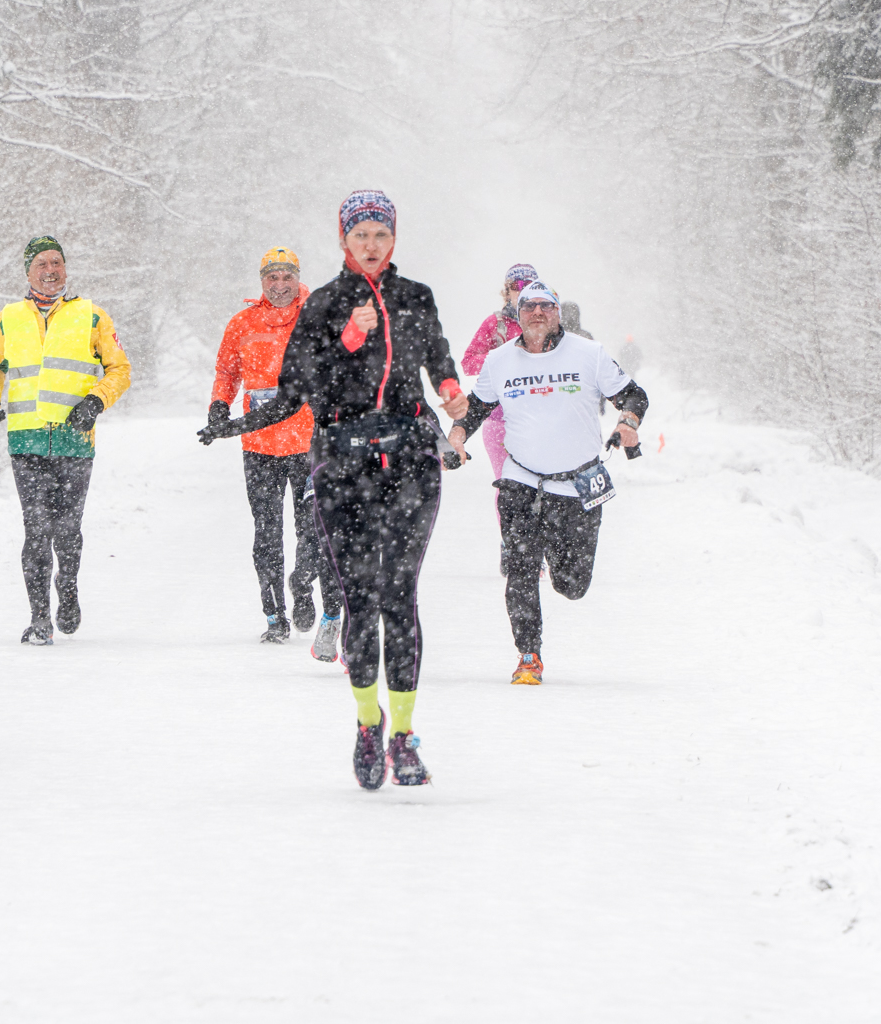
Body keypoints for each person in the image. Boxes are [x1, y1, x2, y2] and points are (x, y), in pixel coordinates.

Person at [198, 191, 468, 790]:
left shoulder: (416, 297)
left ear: (394, 239)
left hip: (409, 461)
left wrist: (449, 387)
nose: (371, 246)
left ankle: (404, 735)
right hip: (343, 462)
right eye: (360, 235)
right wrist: (345, 341)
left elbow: (436, 355)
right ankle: (367, 723)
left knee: (401, 594)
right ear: (343, 241)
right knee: (361, 597)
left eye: (380, 235)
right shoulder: (320, 303)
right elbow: (294, 386)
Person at [448, 281, 647, 685]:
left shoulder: (588, 354)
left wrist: (627, 421)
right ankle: (528, 655)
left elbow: (634, 394)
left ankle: (561, 572)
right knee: (520, 569)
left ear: (557, 313)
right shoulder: (500, 360)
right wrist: (456, 437)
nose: (538, 312)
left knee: (572, 585)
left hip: (578, 485)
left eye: (546, 306)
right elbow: (477, 408)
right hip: (521, 481)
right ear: (517, 315)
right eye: (529, 306)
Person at [0, 235, 132, 645]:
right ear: (27, 272)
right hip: (26, 441)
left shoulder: (92, 317)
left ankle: (68, 588)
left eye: (57, 263)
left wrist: (95, 402)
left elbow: (120, 370)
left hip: (74, 440)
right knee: (36, 529)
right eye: (42, 264)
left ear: (65, 268)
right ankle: (39, 617)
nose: (51, 271)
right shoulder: (9, 317)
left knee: (66, 530)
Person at [208, 246, 342, 651]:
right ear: (262, 280)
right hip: (259, 447)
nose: (280, 285)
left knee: (311, 533)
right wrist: (218, 406)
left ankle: (302, 588)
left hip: (309, 446)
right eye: (272, 277)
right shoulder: (243, 322)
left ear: (297, 277)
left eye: (287, 277)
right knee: (266, 534)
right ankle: (274, 617)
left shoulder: (318, 318)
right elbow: (227, 371)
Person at [462, 264, 539, 572]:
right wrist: (505, 356)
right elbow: (468, 362)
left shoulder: (545, 321)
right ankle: (510, 544)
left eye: (530, 285)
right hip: (498, 419)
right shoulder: (494, 324)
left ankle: (535, 548)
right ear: (507, 291)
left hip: (538, 418)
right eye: (517, 285)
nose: (523, 291)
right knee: (509, 487)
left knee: (540, 485)